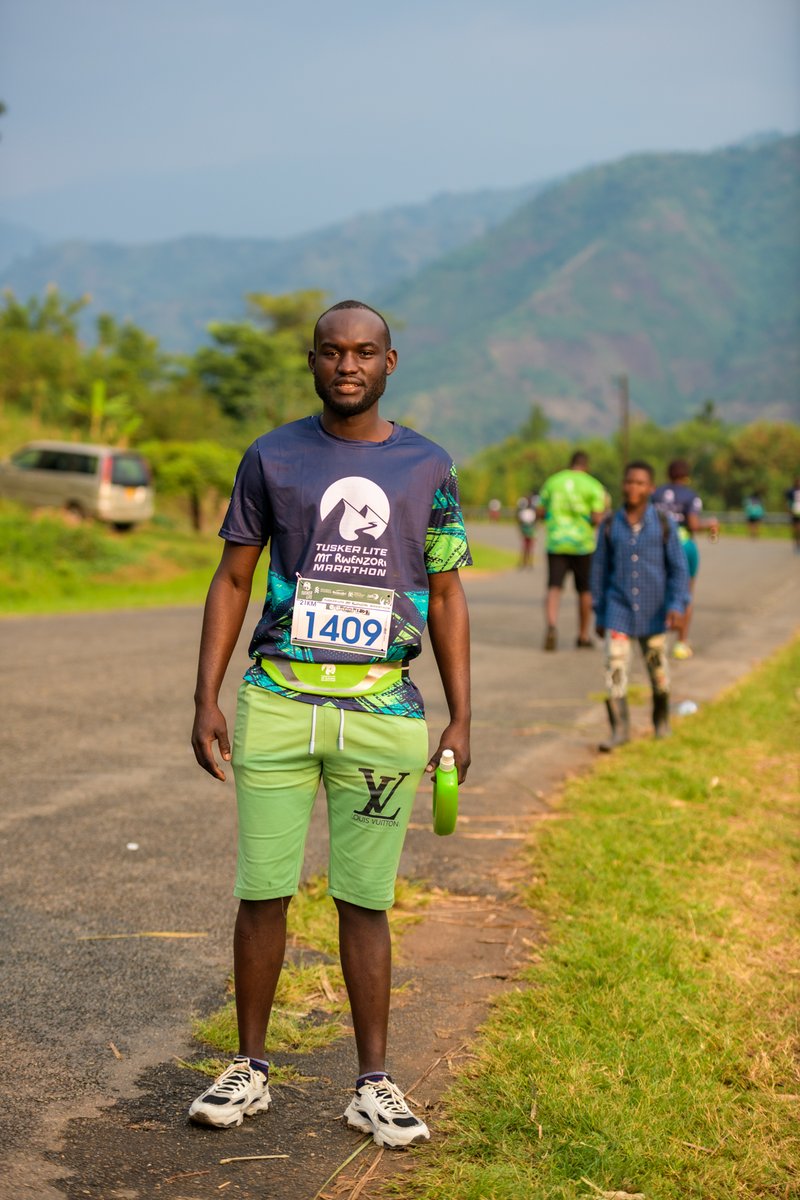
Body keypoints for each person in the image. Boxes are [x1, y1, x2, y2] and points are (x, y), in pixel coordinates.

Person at [188, 301, 472, 1149]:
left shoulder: (428, 465)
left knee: (365, 900)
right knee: (262, 890)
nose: (348, 365)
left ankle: (373, 1084)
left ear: (391, 362)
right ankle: (249, 1067)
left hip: (384, 711)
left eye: (364, 352)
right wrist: (205, 696)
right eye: (332, 351)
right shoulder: (272, 456)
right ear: (312, 360)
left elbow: (447, 594)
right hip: (277, 702)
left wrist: (463, 714)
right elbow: (233, 580)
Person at [591, 461, 690, 751]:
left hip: (655, 611)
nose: (633, 487)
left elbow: (679, 569)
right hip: (618, 610)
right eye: (629, 481)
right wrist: (600, 612)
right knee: (615, 668)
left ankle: (661, 723)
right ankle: (619, 730)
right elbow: (598, 571)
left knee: (658, 671)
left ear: (651, 488)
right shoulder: (610, 524)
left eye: (640, 483)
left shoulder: (663, 523)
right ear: (622, 485)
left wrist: (676, 604)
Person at [536, 451, 608, 650]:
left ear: (570, 464)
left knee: (554, 587)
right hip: (582, 544)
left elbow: (540, 510)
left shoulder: (553, 481)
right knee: (585, 590)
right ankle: (583, 635)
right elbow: (597, 517)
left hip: (556, 541)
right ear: (586, 465)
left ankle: (551, 626)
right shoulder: (593, 485)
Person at [652, 459, 719, 660]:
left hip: (658, 545)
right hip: (684, 545)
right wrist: (711, 524)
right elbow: (694, 525)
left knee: (659, 591)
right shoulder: (690, 495)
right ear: (686, 476)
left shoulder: (656, 494)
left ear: (668, 474)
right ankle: (681, 643)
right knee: (685, 593)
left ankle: (657, 639)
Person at [515, 495, 537, 568]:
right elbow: (520, 521)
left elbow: (534, 521)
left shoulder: (531, 511)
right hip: (526, 529)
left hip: (530, 530)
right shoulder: (525, 511)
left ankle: (529, 562)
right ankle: (524, 562)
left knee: (529, 547)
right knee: (525, 547)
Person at [786, 477, 800, 553]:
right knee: (796, 530)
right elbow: (788, 502)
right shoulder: (791, 491)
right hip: (796, 512)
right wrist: (789, 510)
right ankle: (797, 544)